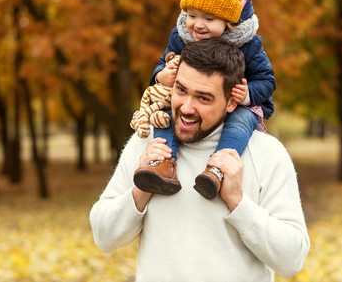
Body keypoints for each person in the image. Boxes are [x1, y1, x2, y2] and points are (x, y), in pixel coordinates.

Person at [90, 38, 310, 281]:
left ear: (231, 102)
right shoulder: (148, 144)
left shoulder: (266, 153)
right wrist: (140, 190)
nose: (186, 107)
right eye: (181, 90)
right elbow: (104, 237)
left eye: (203, 98)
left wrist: (237, 201)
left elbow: (292, 260)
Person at [133, 0, 276, 200]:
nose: (198, 25)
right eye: (191, 15)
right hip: (190, 99)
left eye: (209, 19)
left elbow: (267, 80)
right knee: (169, 112)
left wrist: (247, 93)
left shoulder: (249, 44)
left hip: (240, 104)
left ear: (228, 20)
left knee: (240, 122)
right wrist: (162, 74)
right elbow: (161, 63)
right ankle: (163, 162)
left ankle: (217, 170)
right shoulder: (181, 36)